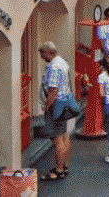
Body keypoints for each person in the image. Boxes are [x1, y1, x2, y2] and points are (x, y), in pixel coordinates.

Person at [38, 40, 75, 180]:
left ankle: (59, 170)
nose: (42, 57)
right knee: (64, 136)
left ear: (50, 53)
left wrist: (47, 108)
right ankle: (63, 165)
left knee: (58, 138)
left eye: (43, 54)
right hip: (64, 103)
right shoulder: (63, 63)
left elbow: (53, 90)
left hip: (56, 106)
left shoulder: (54, 67)